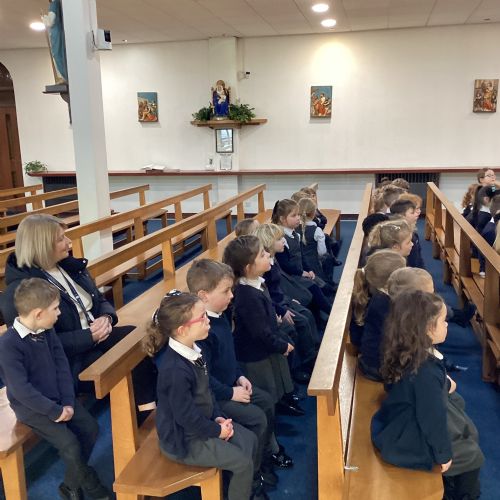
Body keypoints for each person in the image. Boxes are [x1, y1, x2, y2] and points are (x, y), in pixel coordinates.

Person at [0, 214, 157, 411]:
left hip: (96, 337)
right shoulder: (21, 292)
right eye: (60, 239)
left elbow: (98, 299)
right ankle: (141, 413)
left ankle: (148, 405)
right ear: (41, 246)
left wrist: (106, 317)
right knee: (120, 362)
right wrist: (88, 337)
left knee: (136, 339)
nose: (69, 242)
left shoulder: (69, 267)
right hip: (68, 359)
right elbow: (37, 346)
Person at [143, 291, 263, 500]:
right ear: (183, 330)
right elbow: (185, 417)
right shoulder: (174, 371)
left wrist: (217, 417)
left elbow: (206, 391)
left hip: (203, 424)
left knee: (250, 440)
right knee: (242, 463)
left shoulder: (195, 351)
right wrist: (216, 431)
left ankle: (238, 489)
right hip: (183, 440)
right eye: (202, 318)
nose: (208, 321)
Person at [0, 278, 111, 500]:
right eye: (56, 308)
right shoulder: (9, 345)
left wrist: (68, 402)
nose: (59, 313)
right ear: (38, 313)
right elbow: (21, 390)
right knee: (70, 444)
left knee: (90, 428)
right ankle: (89, 482)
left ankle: (70, 484)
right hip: (32, 407)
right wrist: (55, 411)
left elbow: (61, 367)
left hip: (60, 397)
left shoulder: (47, 330)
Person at [371, 290, 484, 500]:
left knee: (464, 420)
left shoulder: (407, 351)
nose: (447, 325)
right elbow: (431, 418)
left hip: (402, 417)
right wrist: (443, 454)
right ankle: (463, 494)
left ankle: (453, 485)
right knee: (472, 454)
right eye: (443, 321)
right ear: (427, 329)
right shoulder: (425, 372)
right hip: (408, 438)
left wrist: (443, 384)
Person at [187, 258, 292, 476]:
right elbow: (204, 378)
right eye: (226, 291)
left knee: (267, 402)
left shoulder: (220, 316)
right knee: (257, 418)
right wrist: (231, 392)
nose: (232, 296)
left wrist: (239, 376)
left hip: (231, 385)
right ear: (204, 296)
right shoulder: (202, 332)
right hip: (216, 397)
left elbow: (229, 355)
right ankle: (254, 470)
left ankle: (267, 452)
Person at [222, 236, 299, 415]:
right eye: (263, 255)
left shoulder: (256, 283)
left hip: (267, 342)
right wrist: (280, 346)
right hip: (255, 352)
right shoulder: (247, 296)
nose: (268, 256)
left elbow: (264, 313)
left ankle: (283, 400)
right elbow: (259, 332)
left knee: (277, 375)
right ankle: (275, 410)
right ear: (248, 267)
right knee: (267, 384)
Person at [254, 223, 319, 384]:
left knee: (307, 314)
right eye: (279, 239)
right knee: (301, 322)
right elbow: (267, 295)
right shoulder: (265, 267)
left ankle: (313, 351)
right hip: (276, 306)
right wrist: (282, 309)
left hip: (282, 300)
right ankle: (303, 365)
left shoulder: (273, 259)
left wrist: (289, 300)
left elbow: (278, 289)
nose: (284, 241)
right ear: (269, 242)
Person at [350, 250, 406, 380]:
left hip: (374, 362)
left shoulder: (378, 296)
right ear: (391, 281)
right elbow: (401, 340)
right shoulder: (383, 305)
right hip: (378, 368)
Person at [271, 199, 333, 315]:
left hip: (299, 272)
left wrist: (308, 269)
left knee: (321, 285)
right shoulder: (281, 238)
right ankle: (331, 313)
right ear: (282, 219)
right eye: (294, 215)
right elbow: (284, 265)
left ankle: (321, 315)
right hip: (290, 277)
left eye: (299, 214)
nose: (298, 218)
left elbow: (302, 255)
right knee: (314, 288)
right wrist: (301, 272)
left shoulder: (295, 234)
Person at [389, 198, 424, 268]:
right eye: (412, 213)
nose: (417, 214)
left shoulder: (414, 234)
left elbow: (418, 258)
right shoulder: (399, 236)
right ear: (401, 216)